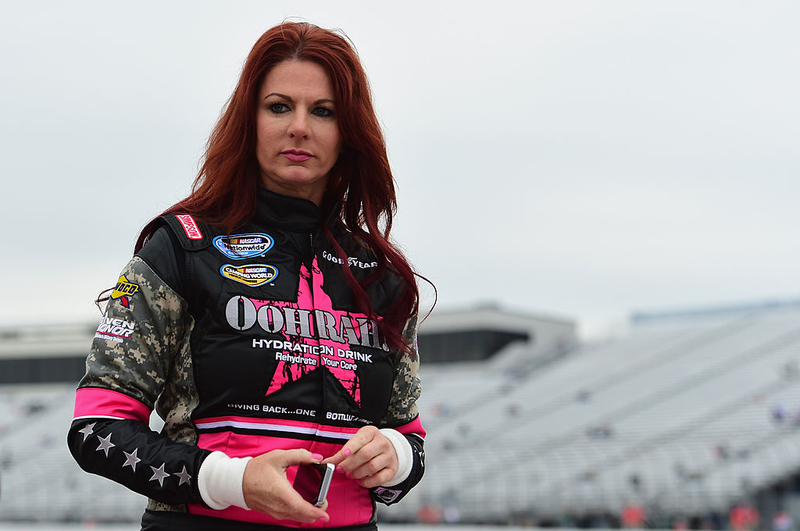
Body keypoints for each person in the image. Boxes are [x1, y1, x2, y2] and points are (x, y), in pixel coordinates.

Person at [67, 21, 426, 531]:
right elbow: (95, 427)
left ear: (348, 132)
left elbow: (408, 437)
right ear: (249, 119)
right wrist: (231, 481)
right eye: (279, 106)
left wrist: (395, 455)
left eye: (323, 111)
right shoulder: (180, 247)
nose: (299, 127)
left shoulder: (383, 275)